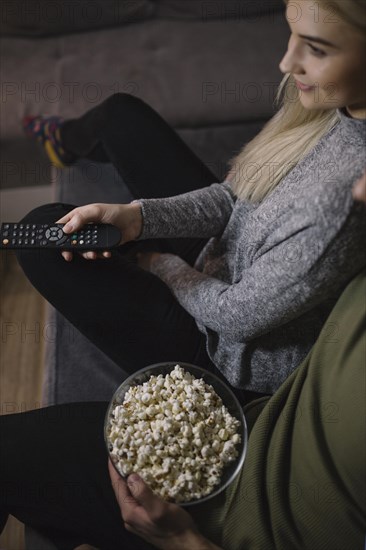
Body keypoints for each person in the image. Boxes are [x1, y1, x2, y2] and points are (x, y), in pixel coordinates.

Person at [0, 0, 365, 547]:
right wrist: (138, 217)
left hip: (229, 355)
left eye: (316, 48)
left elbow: (241, 316)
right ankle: (62, 142)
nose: (286, 63)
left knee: (44, 241)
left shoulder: (342, 204)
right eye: (291, 36)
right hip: (228, 256)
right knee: (121, 116)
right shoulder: (328, 108)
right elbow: (235, 198)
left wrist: (157, 264)